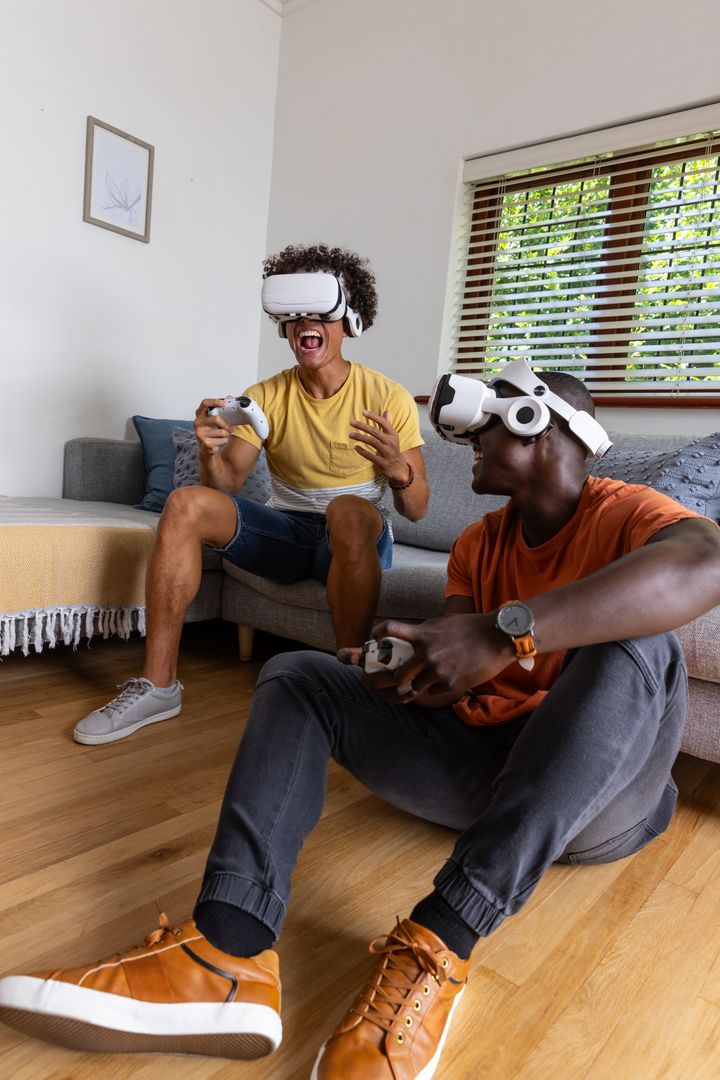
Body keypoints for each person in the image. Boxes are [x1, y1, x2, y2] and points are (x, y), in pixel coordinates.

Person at [3, 366, 720, 1080]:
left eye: (487, 424)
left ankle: (440, 942)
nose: (466, 439)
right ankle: (224, 953)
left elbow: (702, 564)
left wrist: (506, 633)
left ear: (539, 428)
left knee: (638, 640)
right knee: (299, 678)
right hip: (488, 772)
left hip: (597, 805)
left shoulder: (628, 512)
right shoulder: (478, 543)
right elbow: (453, 676)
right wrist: (410, 672)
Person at [72, 243, 429, 745]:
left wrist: (398, 471)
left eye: (319, 313)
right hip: (288, 535)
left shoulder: (387, 396)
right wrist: (209, 450)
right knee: (185, 503)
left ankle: (349, 684)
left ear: (348, 319)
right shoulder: (265, 395)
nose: (307, 323)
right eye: (294, 314)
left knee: (348, 510)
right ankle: (158, 685)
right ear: (284, 324)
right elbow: (226, 490)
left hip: (354, 537)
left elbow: (417, 508)